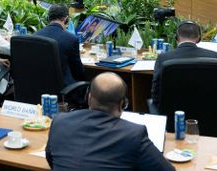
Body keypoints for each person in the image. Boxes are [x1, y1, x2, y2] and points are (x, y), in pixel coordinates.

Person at [46, 72, 174, 171]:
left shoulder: (59, 121)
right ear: (122, 104)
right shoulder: (134, 135)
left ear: (88, 97)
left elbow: (51, 159)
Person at [151, 22, 217, 108]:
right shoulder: (213, 56)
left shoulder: (164, 57)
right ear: (199, 38)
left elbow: (156, 89)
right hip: (206, 109)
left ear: (177, 37)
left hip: (171, 111)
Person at [34, 5, 84, 86]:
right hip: (62, 87)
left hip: (38, 85)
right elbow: (78, 72)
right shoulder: (71, 39)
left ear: (49, 18)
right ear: (66, 18)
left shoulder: (35, 35)